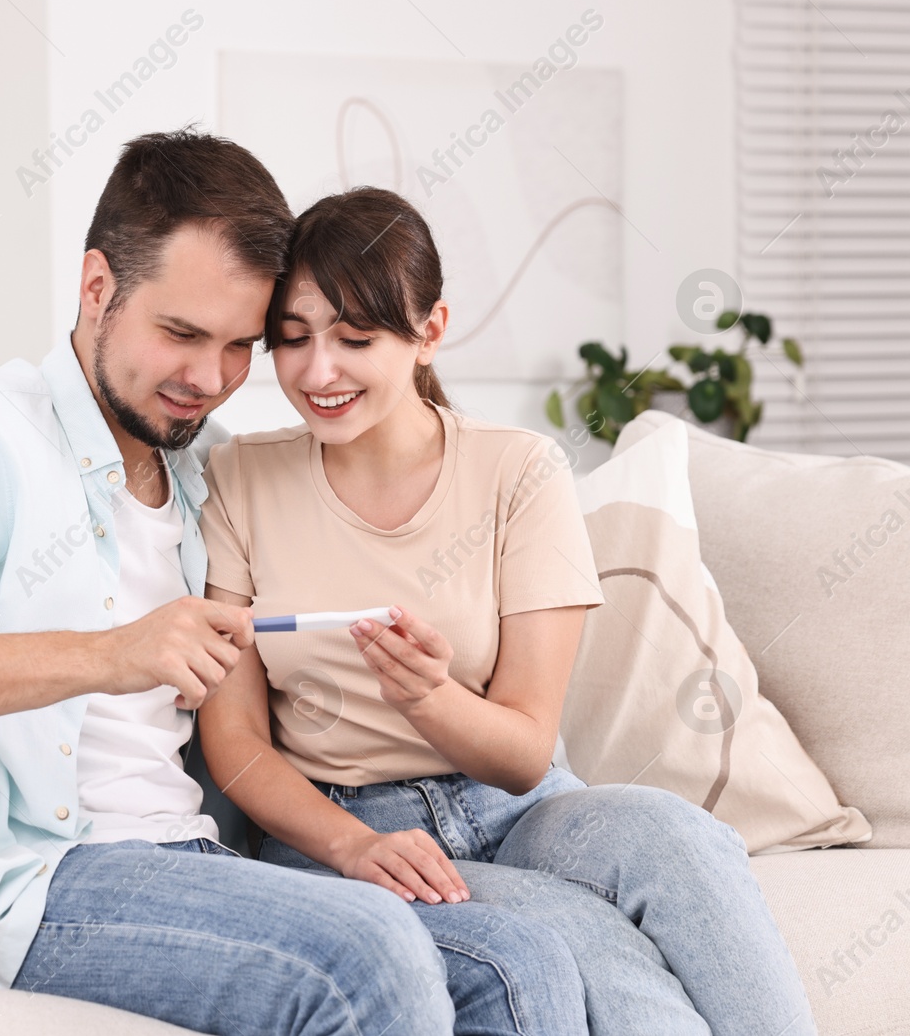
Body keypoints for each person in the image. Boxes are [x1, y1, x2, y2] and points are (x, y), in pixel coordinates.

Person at [0, 131, 593, 1034]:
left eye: (239, 346)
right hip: (59, 875)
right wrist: (109, 655)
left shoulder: (212, 472)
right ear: (97, 287)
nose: (209, 379)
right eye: (180, 333)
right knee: (370, 952)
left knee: (516, 967)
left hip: (204, 855)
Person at [197, 186, 819, 1036]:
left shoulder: (518, 470)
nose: (317, 372)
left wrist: (429, 695)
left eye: (355, 337)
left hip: (514, 806)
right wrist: (349, 843)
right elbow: (233, 743)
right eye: (294, 339)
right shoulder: (241, 479)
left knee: (684, 839)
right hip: (341, 827)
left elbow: (525, 752)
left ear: (430, 332)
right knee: (583, 944)